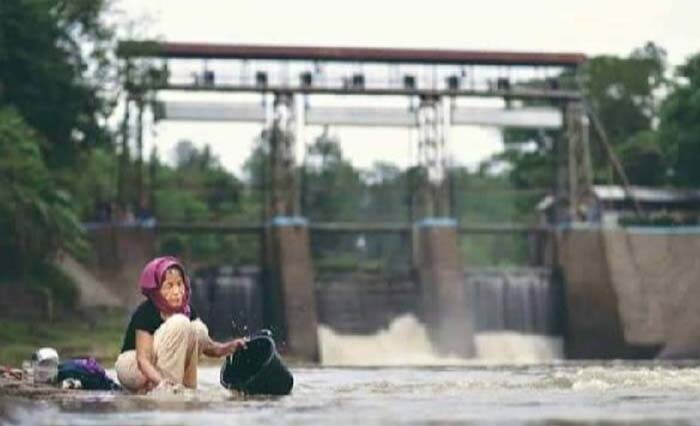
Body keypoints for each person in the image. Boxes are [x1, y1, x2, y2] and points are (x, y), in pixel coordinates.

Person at [115, 256, 246, 393]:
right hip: (133, 367)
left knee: (198, 329)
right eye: (169, 286)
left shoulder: (187, 311)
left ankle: (184, 388)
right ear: (156, 290)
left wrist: (229, 347)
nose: (177, 292)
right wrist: (160, 381)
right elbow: (143, 360)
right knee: (180, 322)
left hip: (156, 364)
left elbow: (210, 347)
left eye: (179, 284)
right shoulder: (146, 312)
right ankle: (165, 389)